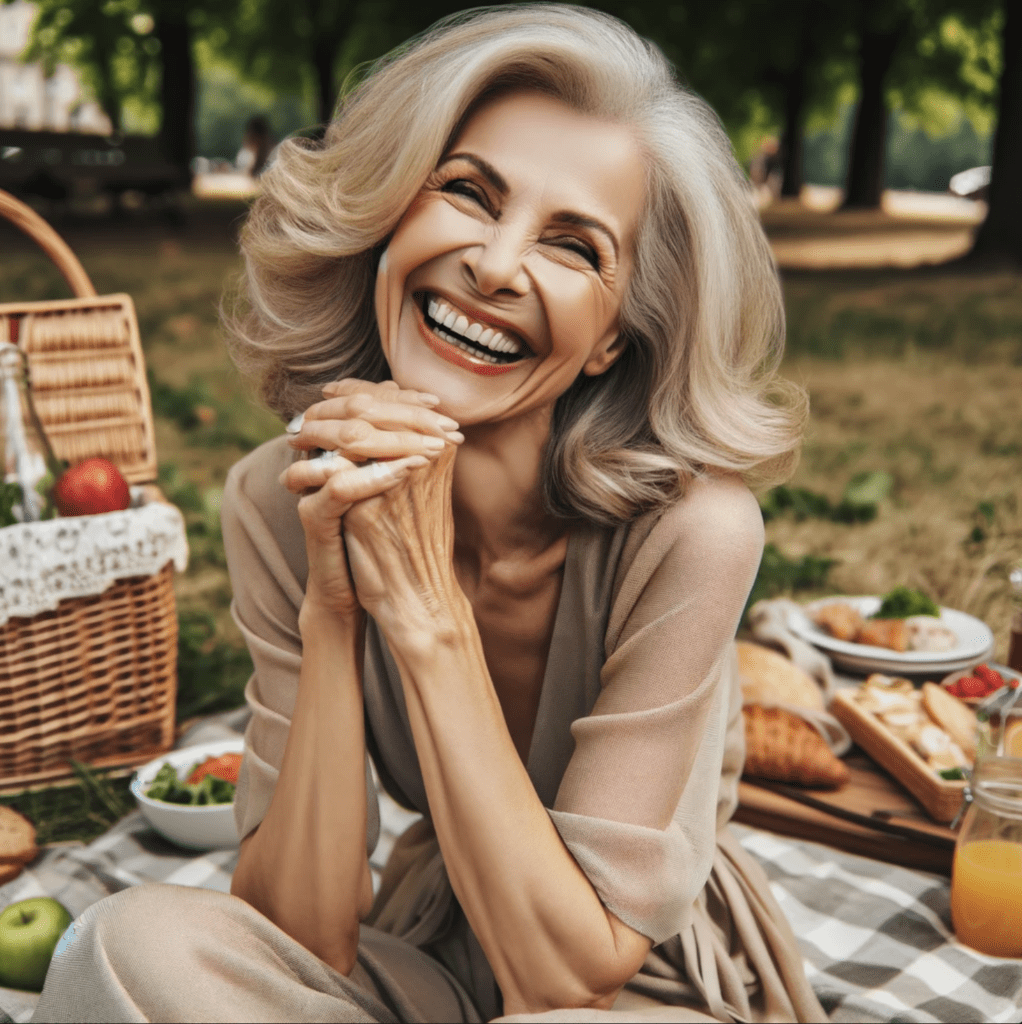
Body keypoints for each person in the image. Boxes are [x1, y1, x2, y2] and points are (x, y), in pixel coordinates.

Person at [31, 6, 824, 1022]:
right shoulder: (280, 498)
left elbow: (567, 975)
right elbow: (301, 935)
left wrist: (421, 609)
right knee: (128, 942)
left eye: (572, 246)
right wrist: (334, 606)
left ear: (610, 342)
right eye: (465, 193)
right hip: (433, 946)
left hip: (637, 983)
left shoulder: (693, 531)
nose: (494, 266)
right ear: (391, 219)